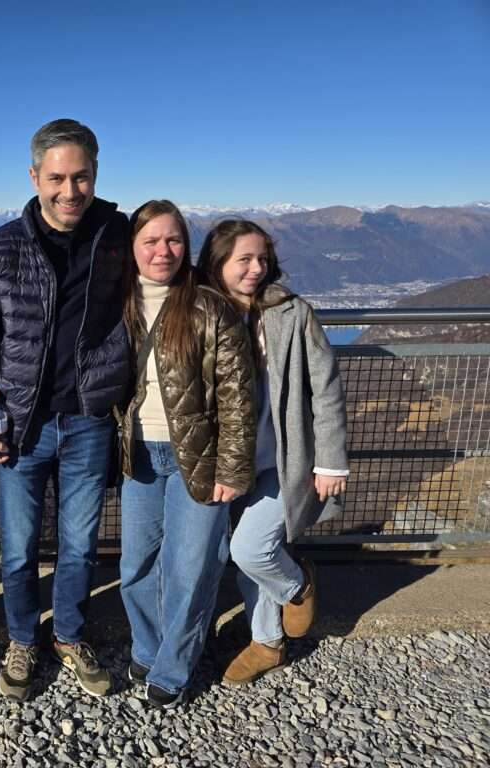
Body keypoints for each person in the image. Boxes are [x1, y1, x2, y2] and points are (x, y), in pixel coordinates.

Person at [0, 119, 130, 701]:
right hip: (19, 427)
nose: (70, 190)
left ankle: (70, 635)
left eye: (81, 176)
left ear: (96, 174)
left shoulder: (119, 235)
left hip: (88, 420)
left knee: (79, 545)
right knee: (20, 545)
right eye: (57, 178)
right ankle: (23, 638)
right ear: (34, 177)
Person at [196, 219, 348, 685]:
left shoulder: (291, 313)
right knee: (248, 555)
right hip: (228, 463)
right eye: (244, 259)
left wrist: (330, 460)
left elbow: (325, 388)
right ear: (219, 262)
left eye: (262, 258)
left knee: (250, 548)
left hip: (286, 460)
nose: (256, 268)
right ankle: (268, 643)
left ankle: (297, 585)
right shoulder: (201, 312)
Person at [117, 200, 255, 709]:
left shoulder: (207, 307)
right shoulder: (122, 301)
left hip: (198, 456)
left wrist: (232, 467)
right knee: (137, 564)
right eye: (151, 240)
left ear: (187, 246)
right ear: (132, 246)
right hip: (140, 455)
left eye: (173, 240)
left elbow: (238, 396)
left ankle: (172, 669)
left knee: (190, 569)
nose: (163, 251)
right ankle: (147, 648)